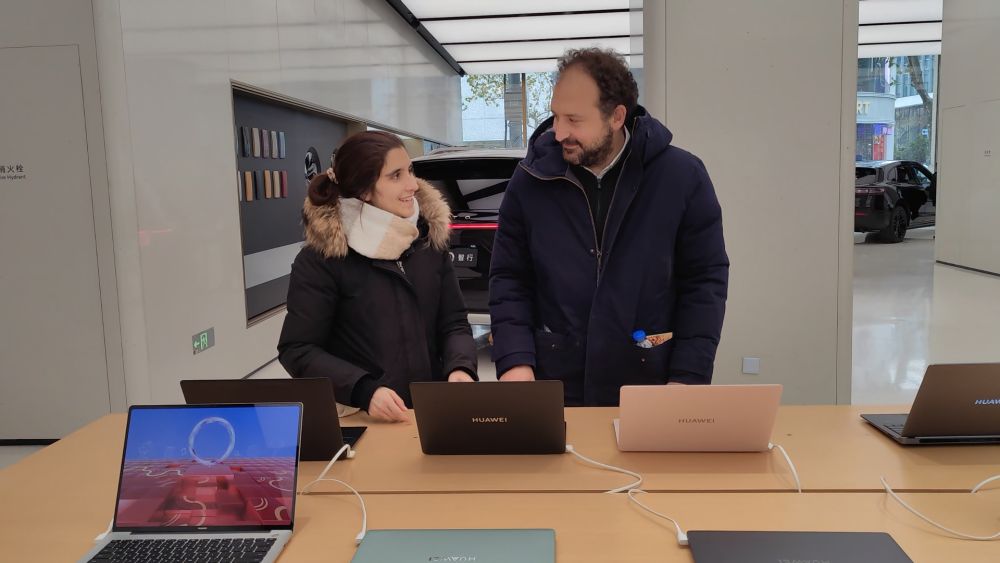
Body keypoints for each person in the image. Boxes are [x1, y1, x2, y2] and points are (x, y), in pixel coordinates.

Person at [489, 48, 729, 406]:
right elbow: (509, 278)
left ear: (617, 117)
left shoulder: (681, 178)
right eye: (556, 116)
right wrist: (514, 362)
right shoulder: (530, 181)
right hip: (554, 384)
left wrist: (689, 376)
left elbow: (704, 281)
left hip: (649, 385)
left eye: (574, 119)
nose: (559, 132)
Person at [278, 131, 477, 422]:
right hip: (363, 418)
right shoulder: (323, 260)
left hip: (432, 413)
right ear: (364, 190)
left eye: (410, 170)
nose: (413, 184)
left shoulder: (428, 243)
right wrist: (363, 390)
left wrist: (460, 367)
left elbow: (454, 323)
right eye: (395, 175)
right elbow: (298, 349)